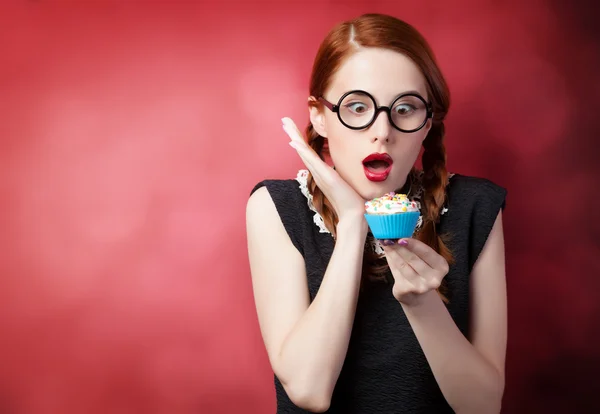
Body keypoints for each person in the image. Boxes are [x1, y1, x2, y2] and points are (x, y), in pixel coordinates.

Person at [246, 13, 507, 414]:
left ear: (427, 123)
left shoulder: (475, 206)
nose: (382, 131)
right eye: (356, 107)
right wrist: (352, 223)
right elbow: (309, 390)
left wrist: (423, 305)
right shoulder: (276, 208)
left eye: (405, 108)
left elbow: (483, 406)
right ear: (319, 116)